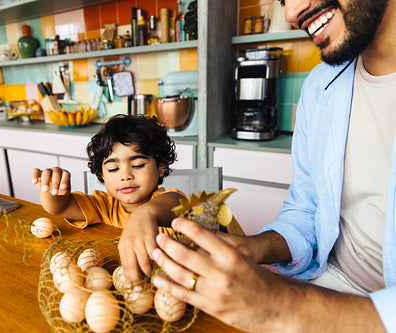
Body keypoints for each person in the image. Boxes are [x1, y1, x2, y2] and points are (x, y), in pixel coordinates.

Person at [149, 0, 396, 332]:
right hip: (330, 283)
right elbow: (307, 210)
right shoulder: (322, 85)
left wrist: (280, 306)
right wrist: (253, 246)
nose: (291, 13)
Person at [31, 114, 185, 279]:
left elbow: (176, 203)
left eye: (138, 165)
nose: (125, 175)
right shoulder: (104, 205)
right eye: (113, 168)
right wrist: (51, 189)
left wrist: (144, 214)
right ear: (102, 175)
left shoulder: (166, 201)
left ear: (161, 168)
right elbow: (60, 207)